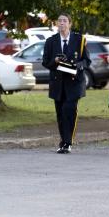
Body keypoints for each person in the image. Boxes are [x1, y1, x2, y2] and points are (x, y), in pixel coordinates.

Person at [41, 13, 91, 153]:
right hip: (58, 83)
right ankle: (63, 141)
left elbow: (87, 60)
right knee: (60, 113)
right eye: (59, 21)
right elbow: (45, 62)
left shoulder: (79, 40)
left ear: (70, 23)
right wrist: (55, 61)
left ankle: (68, 142)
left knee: (69, 110)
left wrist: (78, 66)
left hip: (74, 82)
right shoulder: (51, 41)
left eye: (64, 21)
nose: (61, 23)